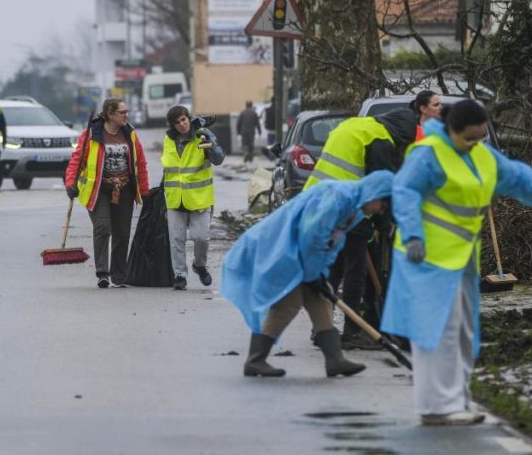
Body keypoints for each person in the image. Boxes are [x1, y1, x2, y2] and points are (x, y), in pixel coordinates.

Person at [381, 100, 532, 426]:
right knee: (439, 330)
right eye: (468, 138)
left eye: (480, 138)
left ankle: (457, 399)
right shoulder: (430, 154)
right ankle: (436, 407)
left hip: (463, 256)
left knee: (466, 332)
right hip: (426, 256)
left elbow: (519, 179)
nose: (474, 144)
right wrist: (412, 236)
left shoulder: (483, 156)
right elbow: (405, 192)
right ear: (451, 129)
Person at [221, 171, 394, 378]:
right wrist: (313, 275)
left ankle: (335, 360)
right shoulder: (338, 198)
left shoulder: (354, 210)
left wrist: (320, 273)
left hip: (300, 255)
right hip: (281, 248)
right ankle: (255, 360)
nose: (378, 211)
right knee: (288, 304)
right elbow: (312, 236)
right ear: (374, 194)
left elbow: (332, 244)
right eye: (381, 206)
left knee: (321, 298)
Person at [304, 109, 416, 350]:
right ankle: (352, 332)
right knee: (355, 270)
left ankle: (321, 329)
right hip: (347, 205)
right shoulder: (381, 141)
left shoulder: (357, 125)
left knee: (334, 268)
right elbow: (380, 186)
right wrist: (383, 223)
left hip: (320, 202)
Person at [64, 98, 150, 288]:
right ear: (110, 114)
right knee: (103, 227)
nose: (126, 115)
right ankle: (102, 272)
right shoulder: (91, 135)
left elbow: (140, 164)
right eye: (122, 112)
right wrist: (70, 183)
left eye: (127, 112)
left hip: (124, 190)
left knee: (122, 233)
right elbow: (76, 161)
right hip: (99, 190)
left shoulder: (131, 134)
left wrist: (144, 191)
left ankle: (119, 276)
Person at [162, 105, 225, 290]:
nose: (182, 124)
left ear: (188, 119)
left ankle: (200, 265)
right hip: (175, 198)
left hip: (199, 198)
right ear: (173, 126)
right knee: (176, 239)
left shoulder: (203, 134)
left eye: (184, 119)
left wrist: (209, 147)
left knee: (201, 238)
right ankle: (180, 275)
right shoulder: (168, 140)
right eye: (177, 122)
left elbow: (219, 159)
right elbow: (170, 167)